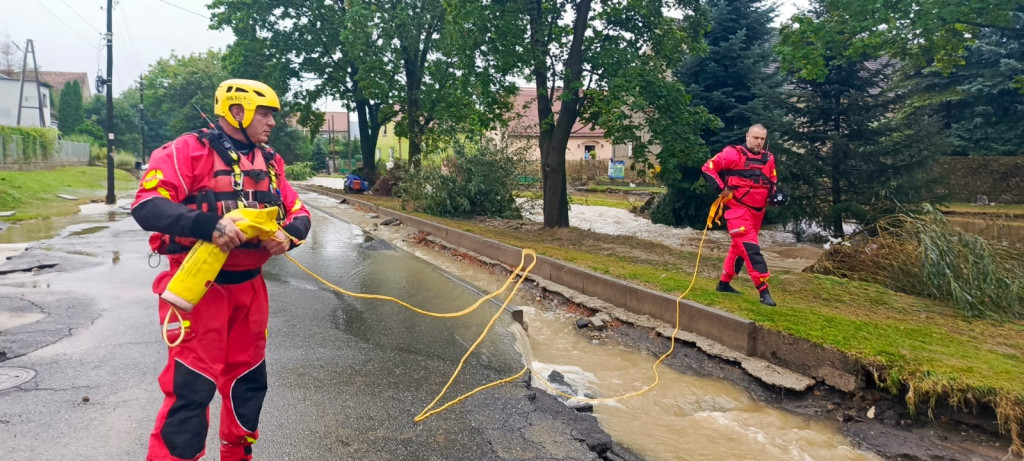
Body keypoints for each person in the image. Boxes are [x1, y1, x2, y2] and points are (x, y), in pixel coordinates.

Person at [131, 79, 312, 461]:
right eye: (264, 113)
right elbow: (147, 206)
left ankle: (238, 455)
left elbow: (299, 212)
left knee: (248, 383)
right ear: (235, 111)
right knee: (192, 387)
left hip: (250, 290)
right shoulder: (186, 152)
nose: (271, 122)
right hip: (199, 288)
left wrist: (288, 236)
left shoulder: (271, 162)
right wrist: (209, 227)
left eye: (272, 115)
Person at [701, 124, 779, 307]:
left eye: (762, 139)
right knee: (750, 248)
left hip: (757, 212)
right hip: (737, 210)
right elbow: (707, 168)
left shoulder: (769, 158)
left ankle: (724, 283)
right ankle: (763, 291)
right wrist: (721, 189)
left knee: (739, 249)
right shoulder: (732, 154)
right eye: (755, 138)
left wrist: (776, 194)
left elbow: (773, 179)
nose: (759, 142)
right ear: (747, 136)